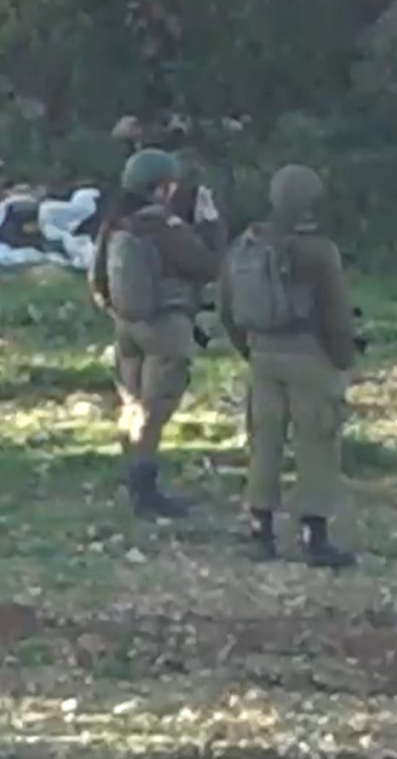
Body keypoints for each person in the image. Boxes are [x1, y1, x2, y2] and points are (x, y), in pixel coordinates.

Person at [216, 163, 360, 568]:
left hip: (261, 354)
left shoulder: (245, 245)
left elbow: (226, 307)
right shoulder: (319, 251)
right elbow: (336, 314)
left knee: (264, 442)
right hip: (308, 354)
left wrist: (249, 349)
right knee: (317, 442)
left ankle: (259, 528)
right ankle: (314, 536)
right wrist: (343, 360)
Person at [87, 147, 227, 518]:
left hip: (126, 324)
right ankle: (145, 494)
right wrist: (210, 224)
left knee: (132, 402)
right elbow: (209, 264)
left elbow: (96, 277)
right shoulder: (162, 225)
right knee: (156, 406)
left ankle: (132, 480)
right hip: (165, 324)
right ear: (160, 187)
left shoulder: (114, 224)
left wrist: (118, 312)